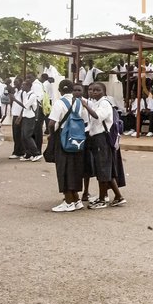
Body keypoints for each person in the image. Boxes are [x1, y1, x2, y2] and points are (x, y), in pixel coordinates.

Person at [47, 81, 89, 212]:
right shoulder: (79, 102)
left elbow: (51, 123)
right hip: (77, 139)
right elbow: (85, 120)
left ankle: (68, 201)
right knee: (76, 168)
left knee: (63, 168)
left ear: (60, 90)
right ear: (72, 90)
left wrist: (51, 135)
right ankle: (76, 199)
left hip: (63, 138)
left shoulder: (59, 103)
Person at [85, 82, 127, 209]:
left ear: (104, 91)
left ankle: (102, 199)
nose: (93, 92)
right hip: (96, 138)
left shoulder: (104, 103)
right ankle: (117, 196)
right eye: (91, 90)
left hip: (102, 139)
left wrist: (86, 106)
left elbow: (97, 116)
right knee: (103, 169)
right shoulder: (96, 102)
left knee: (103, 170)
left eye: (97, 90)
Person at [11, 77, 42, 162]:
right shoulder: (25, 94)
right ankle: (28, 154)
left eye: (24, 85)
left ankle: (36, 153)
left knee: (27, 136)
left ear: (28, 86)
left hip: (30, 118)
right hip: (25, 117)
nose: (22, 86)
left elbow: (25, 106)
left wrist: (15, 100)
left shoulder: (32, 95)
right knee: (23, 136)